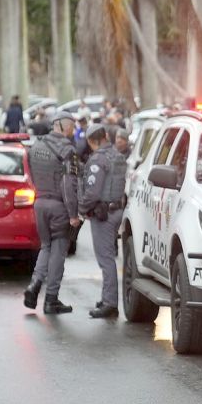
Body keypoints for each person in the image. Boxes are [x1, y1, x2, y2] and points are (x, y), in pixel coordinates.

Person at [23, 111, 81, 314]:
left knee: (45, 247)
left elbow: (29, 173)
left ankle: (34, 284)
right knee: (58, 251)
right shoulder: (68, 150)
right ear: (64, 127)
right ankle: (51, 298)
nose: (72, 132)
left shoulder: (36, 146)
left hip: (39, 203)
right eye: (72, 128)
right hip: (59, 207)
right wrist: (73, 214)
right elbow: (68, 184)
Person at [78, 123, 127, 318]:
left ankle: (110, 303)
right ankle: (108, 297)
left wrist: (81, 209)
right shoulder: (117, 155)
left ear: (92, 141)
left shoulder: (98, 159)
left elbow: (93, 192)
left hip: (104, 214)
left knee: (105, 259)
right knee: (109, 257)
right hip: (117, 209)